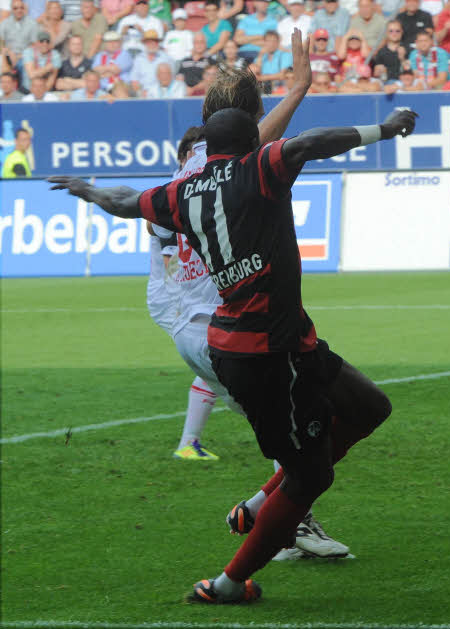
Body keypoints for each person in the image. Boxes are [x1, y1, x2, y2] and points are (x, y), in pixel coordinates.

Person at [50, 103, 418, 606]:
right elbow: (310, 143)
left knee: (370, 407)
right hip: (264, 352)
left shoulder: (182, 194)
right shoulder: (257, 169)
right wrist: (386, 128)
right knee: (311, 474)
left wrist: (86, 189)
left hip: (286, 341)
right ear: (251, 143)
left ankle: (258, 503)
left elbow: (125, 199)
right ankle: (226, 584)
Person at [128, 29, 172, 95]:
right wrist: (141, 92)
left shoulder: (166, 58)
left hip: (161, 93)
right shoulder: (139, 59)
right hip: (142, 93)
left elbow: (170, 79)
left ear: (157, 43)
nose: (151, 44)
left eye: (154, 41)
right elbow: (134, 80)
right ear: (145, 44)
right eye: (148, 42)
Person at [1, 0, 41, 71]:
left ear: (24, 9)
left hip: (26, 56)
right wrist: (9, 52)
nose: (19, 10)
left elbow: (35, 44)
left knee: (25, 63)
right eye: (15, 8)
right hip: (9, 55)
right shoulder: (5, 23)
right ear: (11, 10)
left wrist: (20, 56)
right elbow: (1, 42)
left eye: (21, 8)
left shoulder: (32, 23)